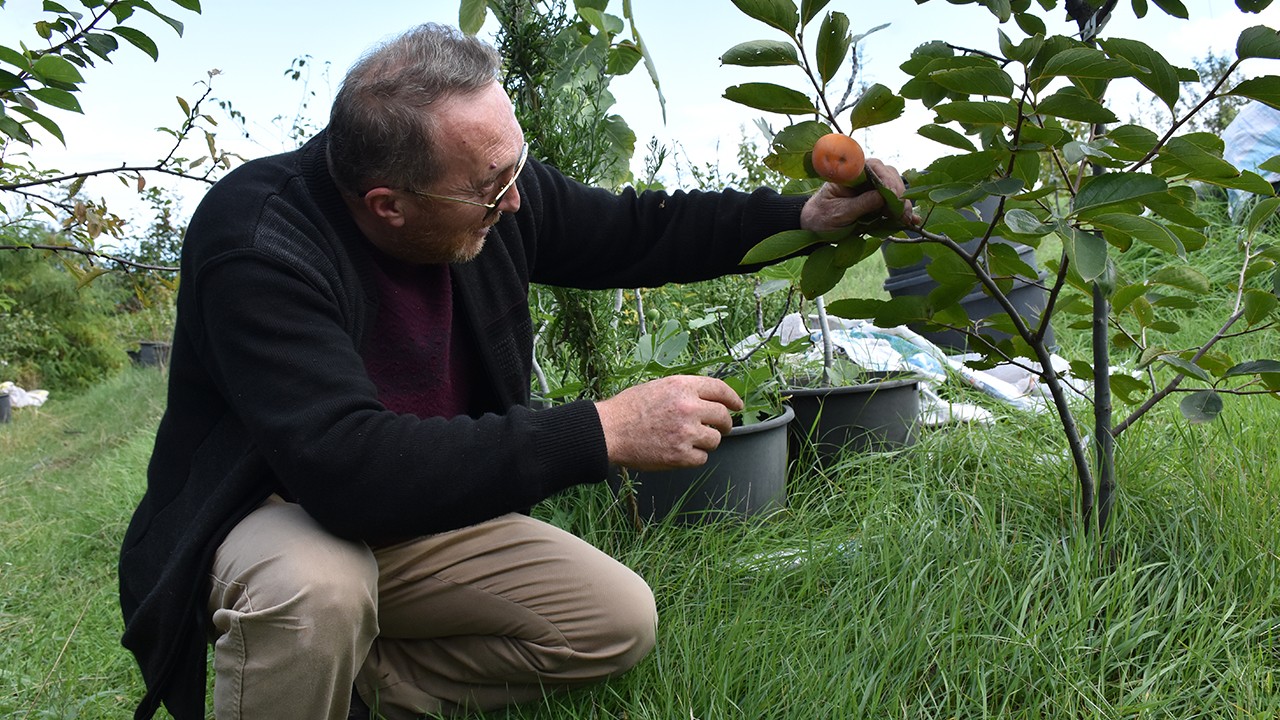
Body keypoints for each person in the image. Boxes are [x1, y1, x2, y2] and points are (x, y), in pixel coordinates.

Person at [118, 23, 913, 720]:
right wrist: (602, 430)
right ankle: (283, 665)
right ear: (388, 203)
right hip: (283, 510)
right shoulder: (261, 241)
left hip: (417, 506)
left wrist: (798, 219)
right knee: (318, 590)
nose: (517, 202)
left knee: (614, 620)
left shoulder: (488, 192)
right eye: (489, 188)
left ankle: (346, 690)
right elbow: (344, 467)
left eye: (515, 166)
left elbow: (636, 233)